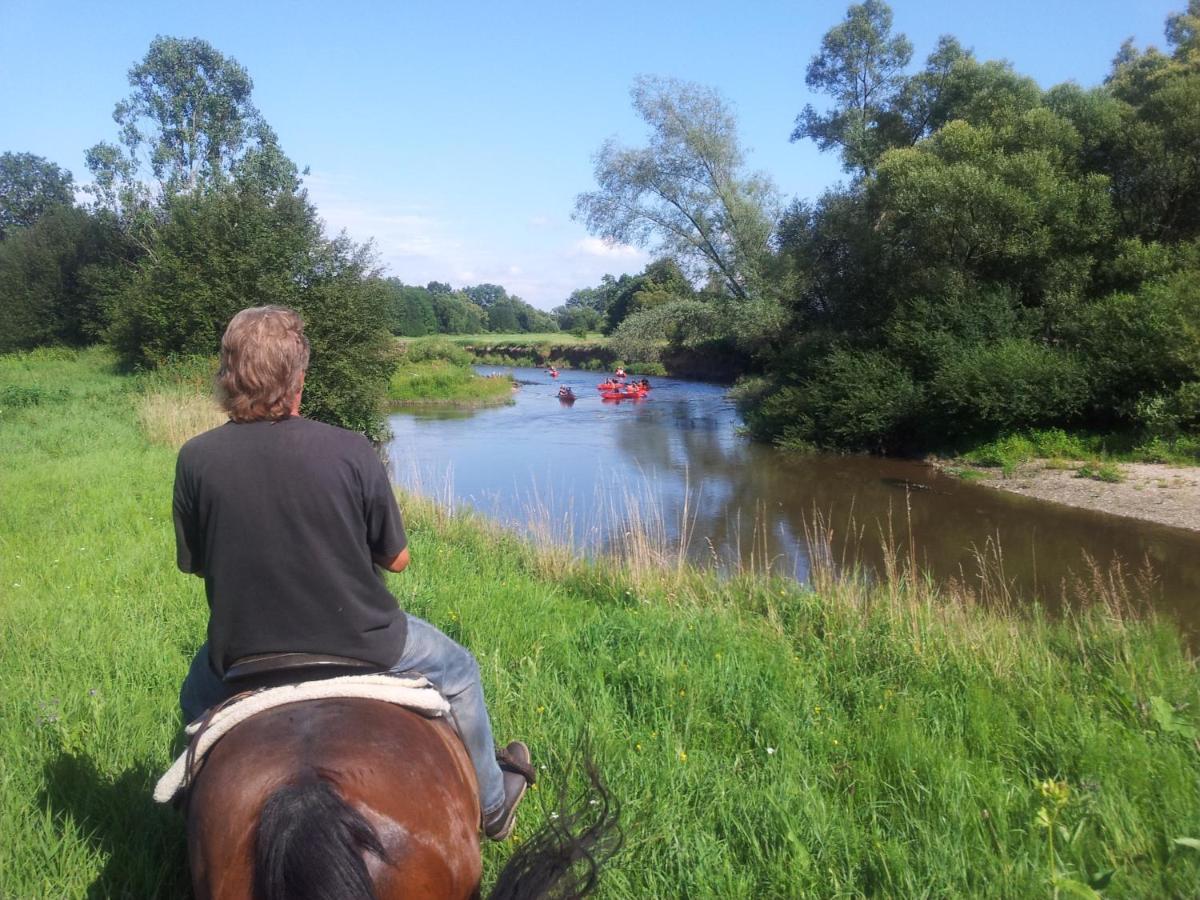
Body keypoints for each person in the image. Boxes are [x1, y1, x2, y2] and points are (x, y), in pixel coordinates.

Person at [173, 305, 530, 840]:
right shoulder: (350, 448)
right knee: (460, 671)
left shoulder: (195, 458)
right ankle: (496, 809)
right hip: (365, 642)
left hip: (242, 653)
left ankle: (192, 815)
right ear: (298, 377)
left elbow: (196, 564)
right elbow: (397, 560)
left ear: (228, 376)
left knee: (191, 700)